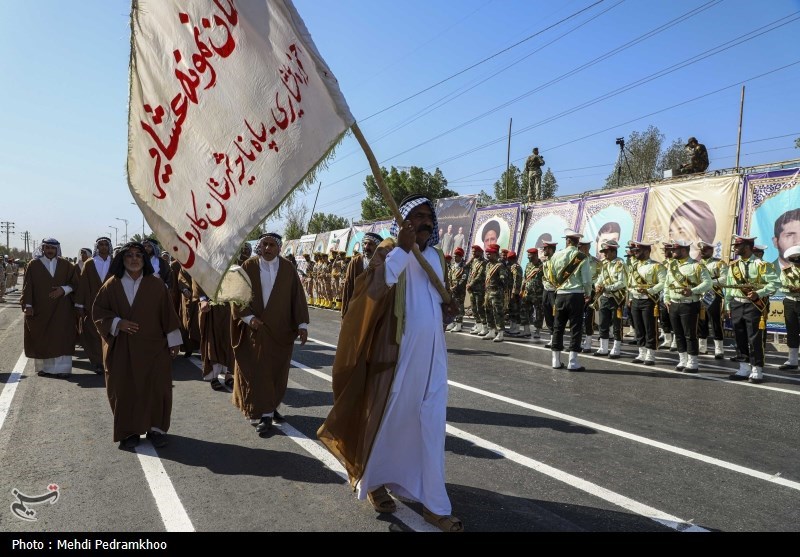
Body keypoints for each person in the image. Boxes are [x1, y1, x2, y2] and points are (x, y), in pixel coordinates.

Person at [317, 194, 463, 532]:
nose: (425, 221)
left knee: (429, 424)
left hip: (434, 357)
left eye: (429, 216)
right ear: (404, 222)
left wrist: (448, 310)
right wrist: (401, 248)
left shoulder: (437, 257)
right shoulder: (387, 251)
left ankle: (434, 504)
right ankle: (375, 483)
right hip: (397, 356)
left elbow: (436, 303)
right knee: (387, 421)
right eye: (417, 215)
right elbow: (372, 291)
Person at [92, 242, 182, 450]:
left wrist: (174, 341)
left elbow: (168, 314)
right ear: (122, 260)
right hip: (122, 348)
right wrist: (117, 323)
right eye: (129, 256)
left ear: (145, 260)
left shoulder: (156, 284)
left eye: (138, 256)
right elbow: (98, 312)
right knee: (124, 389)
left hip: (154, 348)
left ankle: (156, 429)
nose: (134, 259)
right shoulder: (112, 285)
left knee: (157, 388)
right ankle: (128, 431)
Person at [231, 232, 309, 435]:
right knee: (260, 372)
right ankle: (264, 415)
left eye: (272, 245)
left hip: (282, 331)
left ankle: (271, 406)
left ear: (279, 248)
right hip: (257, 330)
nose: (267, 248)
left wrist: (302, 325)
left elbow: (297, 298)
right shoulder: (248, 267)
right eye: (264, 244)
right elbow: (238, 297)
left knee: (277, 372)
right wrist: (249, 318)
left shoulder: (288, 268)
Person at [725, 235, 780, 383]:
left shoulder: (762, 265)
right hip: (737, 303)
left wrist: (759, 293)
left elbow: (775, 284)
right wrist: (727, 304)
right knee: (739, 336)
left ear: (748, 247)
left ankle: (757, 369)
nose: (735, 248)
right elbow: (729, 288)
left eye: (738, 246)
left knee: (755, 337)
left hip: (753, 305)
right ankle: (744, 367)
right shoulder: (733, 266)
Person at [22, 238, 79, 378]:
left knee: (61, 336)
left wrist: (63, 289)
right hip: (40, 308)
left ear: (57, 249)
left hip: (62, 308)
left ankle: (63, 370)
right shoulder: (34, 264)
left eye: (52, 248)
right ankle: (45, 368)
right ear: (43, 248)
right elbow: (27, 286)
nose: (50, 250)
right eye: (47, 247)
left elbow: (77, 283)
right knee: (42, 336)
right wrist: (28, 305)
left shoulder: (66, 265)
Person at [663, 240, 712, 373]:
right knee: (678, 334)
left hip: (689, 305)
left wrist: (693, 291)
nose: (672, 252)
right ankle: (682, 359)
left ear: (684, 250)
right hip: (673, 304)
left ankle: (693, 362)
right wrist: (666, 298)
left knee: (690, 334)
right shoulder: (672, 265)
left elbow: (708, 283)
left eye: (675, 250)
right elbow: (667, 284)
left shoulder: (696, 266)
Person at [547, 230, 591, 370]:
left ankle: (555, 361)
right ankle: (573, 362)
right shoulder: (582, 257)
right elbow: (586, 280)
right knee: (575, 328)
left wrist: (558, 288)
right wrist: (588, 293)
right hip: (576, 295)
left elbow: (551, 276)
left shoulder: (556, 256)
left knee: (558, 327)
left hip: (560, 295)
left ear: (566, 240)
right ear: (578, 242)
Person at [75, 236, 114, 373]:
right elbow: (83, 285)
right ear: (97, 247)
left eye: (105, 244)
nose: (103, 247)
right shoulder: (90, 263)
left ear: (109, 246)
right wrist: (80, 305)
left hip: (112, 304)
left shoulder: (115, 263)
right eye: (101, 245)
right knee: (93, 333)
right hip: (92, 304)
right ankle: (97, 362)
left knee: (110, 332)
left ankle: (109, 360)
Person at [627, 242, 666, 365]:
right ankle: (641, 352)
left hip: (649, 300)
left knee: (650, 327)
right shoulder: (633, 266)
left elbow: (663, 282)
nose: (636, 252)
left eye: (638, 250)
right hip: (636, 299)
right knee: (638, 328)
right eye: (635, 251)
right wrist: (631, 295)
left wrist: (649, 290)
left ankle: (650, 354)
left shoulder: (656, 266)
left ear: (647, 251)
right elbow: (629, 283)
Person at [194, 279, 235, 392]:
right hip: (211, 306)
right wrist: (202, 299)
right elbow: (197, 276)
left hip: (229, 304)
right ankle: (214, 376)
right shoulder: (204, 260)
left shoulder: (232, 261)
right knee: (212, 340)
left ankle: (229, 375)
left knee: (229, 340)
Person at [593, 240, 628, 359]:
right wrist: (597, 285)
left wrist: (607, 288)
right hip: (605, 297)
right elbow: (600, 278)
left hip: (616, 298)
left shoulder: (620, 264)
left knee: (617, 323)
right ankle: (603, 348)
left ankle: (616, 348)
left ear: (613, 252)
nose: (604, 254)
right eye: (603, 252)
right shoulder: (604, 264)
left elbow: (622, 282)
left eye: (607, 252)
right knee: (603, 322)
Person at [696, 240, 727, 359]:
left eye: (705, 249)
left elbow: (725, 279)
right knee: (701, 321)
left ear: (712, 250)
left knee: (715, 321)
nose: (703, 252)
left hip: (714, 294)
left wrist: (708, 283)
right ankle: (702, 347)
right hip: (700, 295)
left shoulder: (719, 263)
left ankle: (719, 349)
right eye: (701, 250)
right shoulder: (696, 264)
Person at [341, 232, 381, 318]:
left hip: (373, 309)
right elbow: (348, 287)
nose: (366, 247)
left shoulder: (381, 264)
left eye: (370, 244)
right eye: (365, 244)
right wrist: (345, 312)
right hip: (355, 307)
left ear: (377, 247)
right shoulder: (355, 262)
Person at [779, 244, 800, 370]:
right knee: (791, 330)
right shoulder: (785, 271)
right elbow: (782, 286)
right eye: (794, 261)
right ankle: (792, 361)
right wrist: (792, 289)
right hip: (790, 301)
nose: (796, 264)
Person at [481, 243, 508, 342]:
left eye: (489, 253)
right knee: (488, 311)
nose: (487, 255)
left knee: (498, 312)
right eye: (487, 253)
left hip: (496, 293)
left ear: (495, 254)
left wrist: (501, 282)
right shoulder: (488, 265)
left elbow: (504, 279)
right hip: (488, 292)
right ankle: (491, 330)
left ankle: (500, 332)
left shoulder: (500, 265)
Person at [578, 240, 601, 353]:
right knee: (575, 318)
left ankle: (588, 341)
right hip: (576, 291)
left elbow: (600, 277)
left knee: (588, 318)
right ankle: (576, 341)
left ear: (588, 247)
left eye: (583, 246)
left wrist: (593, 287)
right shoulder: (575, 260)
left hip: (590, 291)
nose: (581, 248)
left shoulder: (596, 262)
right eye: (580, 246)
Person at [519, 247, 544, 339]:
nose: (529, 257)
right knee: (524, 310)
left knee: (539, 312)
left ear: (535, 255)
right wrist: (522, 289)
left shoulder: (542, 266)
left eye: (530, 256)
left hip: (538, 293)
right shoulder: (528, 265)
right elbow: (525, 278)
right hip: (527, 292)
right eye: (528, 255)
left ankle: (537, 331)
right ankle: (526, 330)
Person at [540, 240, 558, 347]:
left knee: (556, 314)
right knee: (547, 313)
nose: (544, 251)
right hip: (546, 290)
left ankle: (556, 338)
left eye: (545, 249)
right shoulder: (546, 262)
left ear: (550, 249)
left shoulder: (556, 260)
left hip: (554, 291)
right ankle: (552, 337)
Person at [467, 244, 488, 336]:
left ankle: (485, 327)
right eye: (472, 252)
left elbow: (480, 276)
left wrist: (470, 284)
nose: (473, 253)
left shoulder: (484, 262)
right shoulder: (474, 261)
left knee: (480, 308)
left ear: (480, 252)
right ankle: (478, 325)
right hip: (472, 289)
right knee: (474, 308)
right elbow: (468, 271)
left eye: (475, 252)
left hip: (479, 289)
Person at [446, 247, 468, 333]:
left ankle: (459, 324)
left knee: (459, 306)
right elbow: (449, 277)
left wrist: (455, 286)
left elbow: (463, 279)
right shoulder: (452, 266)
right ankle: (452, 322)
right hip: (452, 289)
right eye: (455, 256)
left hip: (459, 290)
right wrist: (449, 286)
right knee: (452, 306)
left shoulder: (464, 267)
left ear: (461, 257)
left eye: (457, 256)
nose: (455, 258)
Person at [505, 251, 523, 335]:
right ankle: (512, 328)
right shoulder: (512, 266)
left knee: (515, 310)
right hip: (510, 290)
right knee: (512, 310)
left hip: (515, 292)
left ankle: (516, 329)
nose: (508, 261)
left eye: (510, 259)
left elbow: (517, 280)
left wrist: (514, 292)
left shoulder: (516, 267)